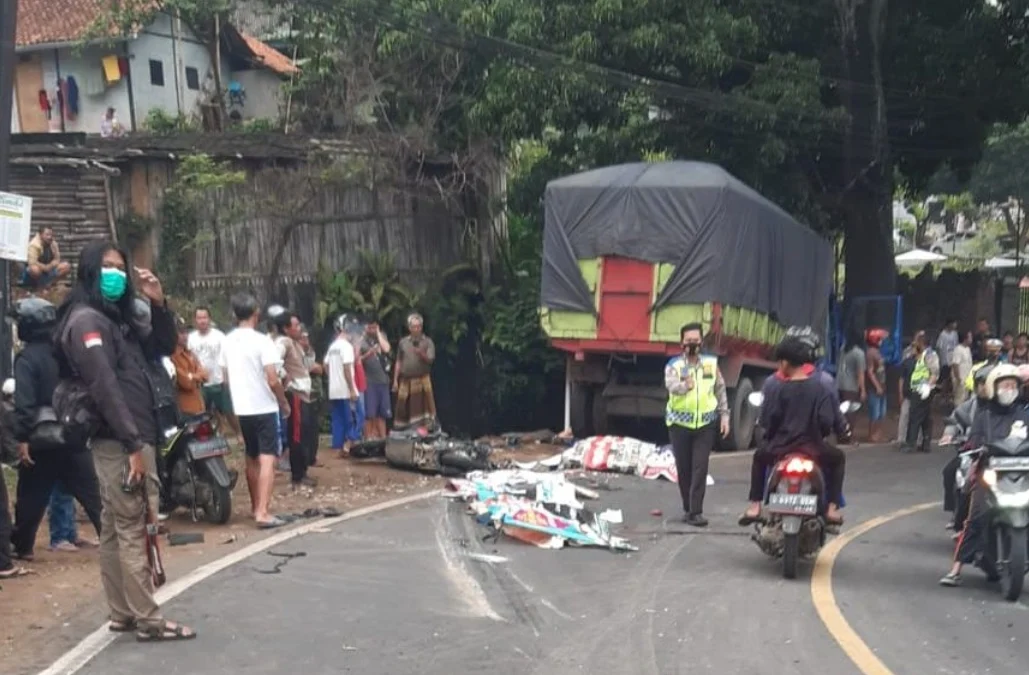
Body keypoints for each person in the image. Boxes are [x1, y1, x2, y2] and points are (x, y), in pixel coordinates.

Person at [53, 240, 194, 641]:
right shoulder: (86, 322)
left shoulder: (115, 318)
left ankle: (122, 612)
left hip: (131, 435)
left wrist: (158, 302)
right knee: (134, 524)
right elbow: (104, 386)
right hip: (120, 439)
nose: (115, 274)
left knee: (115, 526)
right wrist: (133, 444)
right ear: (90, 272)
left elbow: (163, 347)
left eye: (120, 267)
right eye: (107, 267)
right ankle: (148, 618)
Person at [10, 296, 103, 562]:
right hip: (73, 433)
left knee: (30, 497)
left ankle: (24, 547)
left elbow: (25, 402)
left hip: (42, 440)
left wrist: (22, 437)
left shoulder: (27, 358)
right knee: (92, 494)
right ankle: (114, 540)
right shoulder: (65, 349)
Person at [741, 330, 847, 525]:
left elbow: (768, 421)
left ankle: (755, 506)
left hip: (780, 448)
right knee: (838, 459)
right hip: (813, 448)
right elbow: (826, 421)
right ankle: (831, 509)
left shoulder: (776, 387)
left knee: (758, 457)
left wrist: (769, 439)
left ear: (786, 362)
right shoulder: (821, 386)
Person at [940, 365, 1029, 586]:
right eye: (1004, 385)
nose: (1009, 389)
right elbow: (973, 440)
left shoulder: (1024, 412)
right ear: (993, 388)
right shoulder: (983, 415)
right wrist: (967, 445)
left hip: (1021, 471)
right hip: (989, 472)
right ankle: (956, 569)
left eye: (1012, 385)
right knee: (977, 515)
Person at [220, 293, 290, 529]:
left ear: (234, 314)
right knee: (268, 458)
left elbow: (226, 379)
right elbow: (273, 379)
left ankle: (254, 506)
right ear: (256, 314)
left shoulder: (227, 341)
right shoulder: (263, 341)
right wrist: (283, 402)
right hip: (264, 407)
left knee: (251, 456)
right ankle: (263, 511)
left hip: (242, 409)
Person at [664, 322, 730, 527]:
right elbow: (671, 386)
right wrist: (685, 386)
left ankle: (696, 511)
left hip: (705, 424)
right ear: (681, 343)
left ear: (702, 341)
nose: (692, 344)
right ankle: (687, 508)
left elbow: (720, 389)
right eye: (688, 341)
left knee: (700, 467)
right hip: (679, 424)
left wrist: (725, 415)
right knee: (684, 469)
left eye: (695, 340)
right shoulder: (673, 365)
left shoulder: (711, 363)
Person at [940, 364, 992, 532]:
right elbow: (954, 421)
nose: (984, 387)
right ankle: (956, 514)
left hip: (997, 456)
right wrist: (949, 434)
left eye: (988, 383)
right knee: (951, 472)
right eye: (981, 383)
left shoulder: (1003, 407)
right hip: (971, 453)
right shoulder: (969, 405)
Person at [271, 310, 316, 490]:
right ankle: (298, 475)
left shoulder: (295, 343)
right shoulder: (283, 342)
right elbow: (274, 364)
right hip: (295, 394)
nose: (299, 328)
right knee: (297, 434)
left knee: (305, 433)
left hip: (302, 393)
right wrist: (286, 377)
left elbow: (307, 366)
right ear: (286, 328)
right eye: (295, 325)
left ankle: (302, 471)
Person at [188, 307, 241, 444]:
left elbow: (227, 358)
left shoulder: (219, 336)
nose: (202, 321)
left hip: (219, 380)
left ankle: (239, 434)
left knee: (228, 410)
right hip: (201, 383)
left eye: (204, 317)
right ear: (195, 320)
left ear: (209, 319)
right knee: (201, 413)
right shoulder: (191, 339)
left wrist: (227, 378)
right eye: (199, 318)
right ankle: (206, 439)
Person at [326, 314, 359, 457]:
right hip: (345, 389)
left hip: (334, 389)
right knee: (358, 416)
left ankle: (338, 447)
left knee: (338, 419)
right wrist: (352, 389)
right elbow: (347, 368)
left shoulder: (333, 346)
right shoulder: (346, 347)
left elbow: (325, 364)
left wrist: (333, 377)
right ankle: (348, 444)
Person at [902, 330, 940, 454]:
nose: (914, 342)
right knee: (925, 418)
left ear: (922, 342)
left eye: (917, 340)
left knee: (915, 416)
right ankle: (925, 443)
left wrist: (927, 387)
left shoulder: (930, 355)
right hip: (917, 389)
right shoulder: (916, 354)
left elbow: (934, 373)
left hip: (923, 390)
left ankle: (911, 443)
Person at [360, 319, 392, 439]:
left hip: (383, 381)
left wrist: (378, 333)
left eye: (375, 327)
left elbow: (387, 349)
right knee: (370, 414)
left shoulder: (381, 336)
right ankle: (368, 439)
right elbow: (356, 359)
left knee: (382, 414)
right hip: (369, 382)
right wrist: (368, 354)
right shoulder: (362, 340)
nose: (372, 330)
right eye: (370, 327)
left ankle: (383, 439)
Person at [298, 326, 324, 468]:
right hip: (300, 394)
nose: (305, 341)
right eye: (303, 338)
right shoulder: (294, 352)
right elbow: (305, 369)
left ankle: (312, 457)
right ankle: (304, 459)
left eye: (307, 338)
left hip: (313, 393)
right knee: (304, 427)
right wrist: (311, 368)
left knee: (313, 427)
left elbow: (319, 368)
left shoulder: (311, 352)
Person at [170, 322, 207, 416]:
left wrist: (192, 376)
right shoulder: (172, 357)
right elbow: (186, 383)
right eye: (181, 332)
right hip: (185, 408)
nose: (185, 336)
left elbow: (205, 375)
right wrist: (198, 377)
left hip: (199, 405)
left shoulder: (190, 353)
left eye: (186, 332)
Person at [865, 328, 888, 442]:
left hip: (882, 385)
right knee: (875, 412)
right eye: (880, 339)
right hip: (875, 388)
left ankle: (878, 434)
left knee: (881, 413)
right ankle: (872, 435)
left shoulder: (877, 352)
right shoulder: (870, 353)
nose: (881, 341)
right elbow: (870, 372)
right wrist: (877, 386)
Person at [951, 331, 974, 406]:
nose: (971, 339)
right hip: (960, 379)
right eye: (970, 337)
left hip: (967, 379)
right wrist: (958, 378)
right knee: (959, 399)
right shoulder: (958, 349)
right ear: (965, 338)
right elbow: (955, 364)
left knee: (965, 398)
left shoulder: (967, 349)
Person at [936, 319, 958, 395]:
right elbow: (938, 348)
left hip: (953, 359)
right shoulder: (942, 335)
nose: (955, 325)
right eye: (953, 324)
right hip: (945, 360)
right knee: (944, 376)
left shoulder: (955, 334)